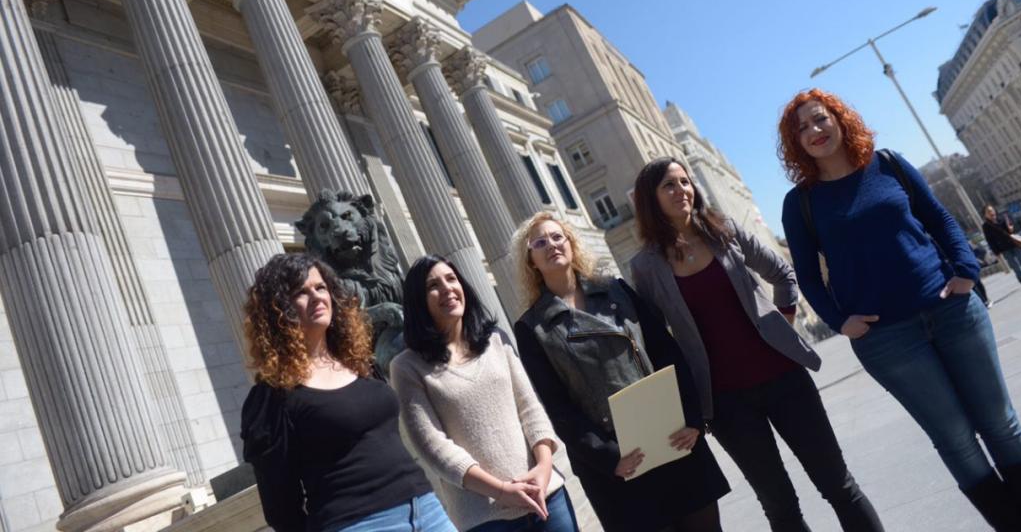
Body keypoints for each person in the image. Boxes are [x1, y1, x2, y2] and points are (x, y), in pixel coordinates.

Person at [778, 88, 1021, 530]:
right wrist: (839, 321)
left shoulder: (886, 164)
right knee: (956, 441)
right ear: (795, 143)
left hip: (953, 311)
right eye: (801, 128)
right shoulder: (801, 204)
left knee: (1001, 423)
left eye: (819, 119)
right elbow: (808, 277)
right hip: (888, 341)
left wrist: (966, 269)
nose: (812, 131)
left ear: (839, 119)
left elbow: (939, 219)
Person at [629, 157, 883, 532]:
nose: (682, 189)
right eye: (669, 184)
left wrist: (783, 323)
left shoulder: (723, 230)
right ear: (651, 199)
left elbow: (782, 273)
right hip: (726, 403)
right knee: (780, 507)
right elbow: (656, 341)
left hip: (784, 378)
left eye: (685, 181)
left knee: (838, 485)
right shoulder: (646, 266)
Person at [513, 211, 729, 532]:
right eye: (540, 242)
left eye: (558, 237)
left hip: (671, 435)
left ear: (571, 243)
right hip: (618, 465)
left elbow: (667, 351)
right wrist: (608, 457)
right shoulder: (532, 328)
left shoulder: (616, 290)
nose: (551, 245)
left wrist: (692, 419)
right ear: (531, 260)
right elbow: (557, 408)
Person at [239, 253, 455, 532]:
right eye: (300, 293)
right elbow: (281, 509)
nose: (316, 297)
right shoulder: (273, 397)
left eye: (320, 287)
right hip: (357, 523)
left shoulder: (360, 363)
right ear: (278, 311)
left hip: (425, 509)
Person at [390, 255, 579, 532]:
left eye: (451, 279)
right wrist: (502, 490)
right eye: (433, 285)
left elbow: (530, 408)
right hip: (486, 519)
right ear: (418, 301)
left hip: (546, 495)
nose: (447, 289)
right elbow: (433, 447)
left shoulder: (495, 340)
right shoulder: (406, 367)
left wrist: (543, 468)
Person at [982, 204, 1021, 286]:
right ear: (985, 215)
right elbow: (990, 240)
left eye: (992, 210)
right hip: (1004, 248)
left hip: (1014, 243)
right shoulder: (986, 226)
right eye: (988, 211)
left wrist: (1012, 228)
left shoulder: (1002, 218)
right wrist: (996, 252)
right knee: (1014, 265)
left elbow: (1013, 229)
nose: (991, 212)